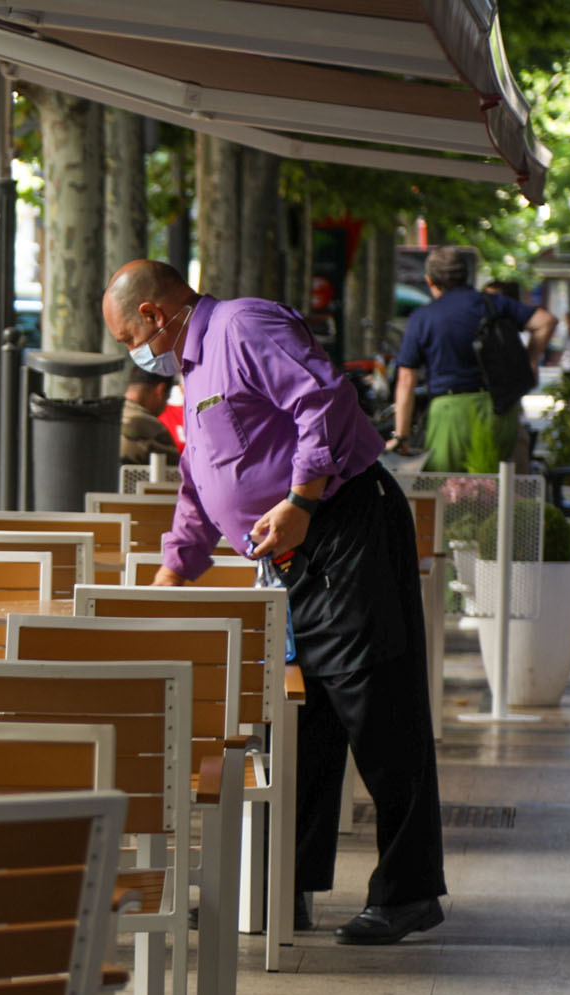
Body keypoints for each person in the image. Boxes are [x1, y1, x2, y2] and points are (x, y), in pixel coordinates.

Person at [103, 259, 448, 945]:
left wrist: (299, 499)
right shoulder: (191, 370)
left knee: (377, 712)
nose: (132, 353)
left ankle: (408, 892)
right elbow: (203, 483)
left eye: (126, 336)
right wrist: (179, 566)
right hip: (291, 560)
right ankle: (278, 887)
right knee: (299, 722)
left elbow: (324, 401)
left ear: (152, 314)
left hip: (342, 526)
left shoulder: (242, 325)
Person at [392, 247, 555, 472]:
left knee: (446, 491)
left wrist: (402, 435)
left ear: (430, 280)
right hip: (500, 407)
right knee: (498, 493)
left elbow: (406, 379)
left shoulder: (423, 317)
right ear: (466, 275)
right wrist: (530, 360)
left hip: (450, 413)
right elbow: (545, 321)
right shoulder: (493, 303)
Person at [119, 368, 180, 464]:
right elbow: (175, 474)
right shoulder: (151, 426)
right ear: (161, 391)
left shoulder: (106, 414)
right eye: (167, 398)